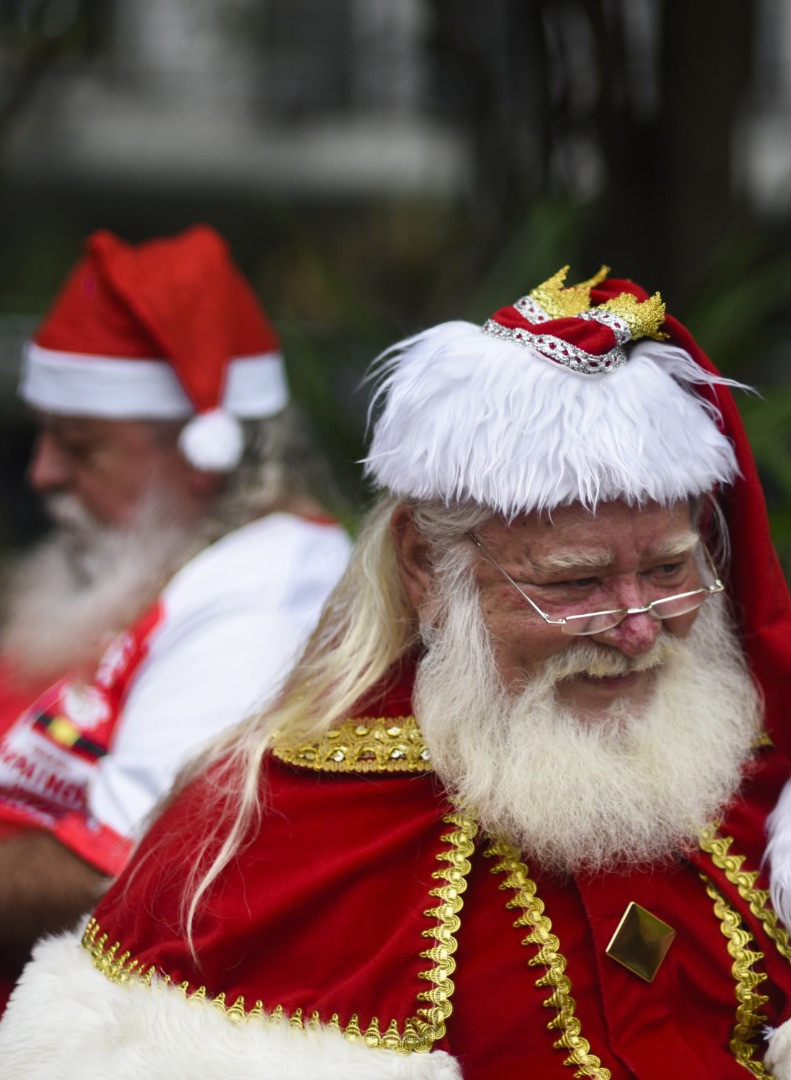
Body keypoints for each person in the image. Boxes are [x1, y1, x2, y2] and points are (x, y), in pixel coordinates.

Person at [2, 266, 791, 1080]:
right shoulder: (257, 836)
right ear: (424, 567)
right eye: (575, 582)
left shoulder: (761, 788)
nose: (636, 627)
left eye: (667, 570)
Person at [0, 226, 351, 1010]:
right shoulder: (143, 560)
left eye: (79, 446)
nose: (42, 472)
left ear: (201, 454)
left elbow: (123, 872)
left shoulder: (268, 590)